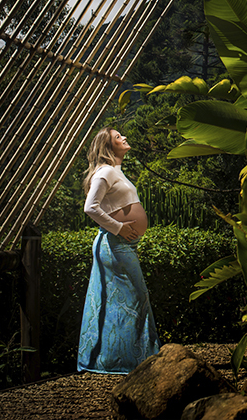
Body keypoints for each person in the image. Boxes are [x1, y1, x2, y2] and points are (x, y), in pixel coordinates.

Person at [77, 127, 159, 373]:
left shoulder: (116, 172)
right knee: (135, 299)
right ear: (108, 146)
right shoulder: (105, 171)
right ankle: (134, 362)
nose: (123, 137)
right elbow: (90, 207)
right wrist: (119, 228)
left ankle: (122, 360)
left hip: (122, 244)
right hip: (115, 244)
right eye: (117, 137)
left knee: (127, 302)